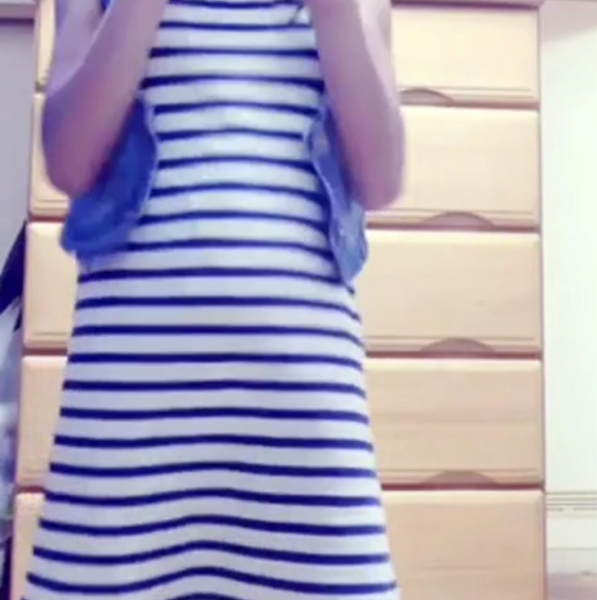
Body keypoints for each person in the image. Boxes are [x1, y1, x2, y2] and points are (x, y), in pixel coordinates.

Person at [23, 1, 405, 599]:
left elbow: (381, 180)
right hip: (129, 411)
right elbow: (69, 163)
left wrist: (335, 14)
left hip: (302, 410)